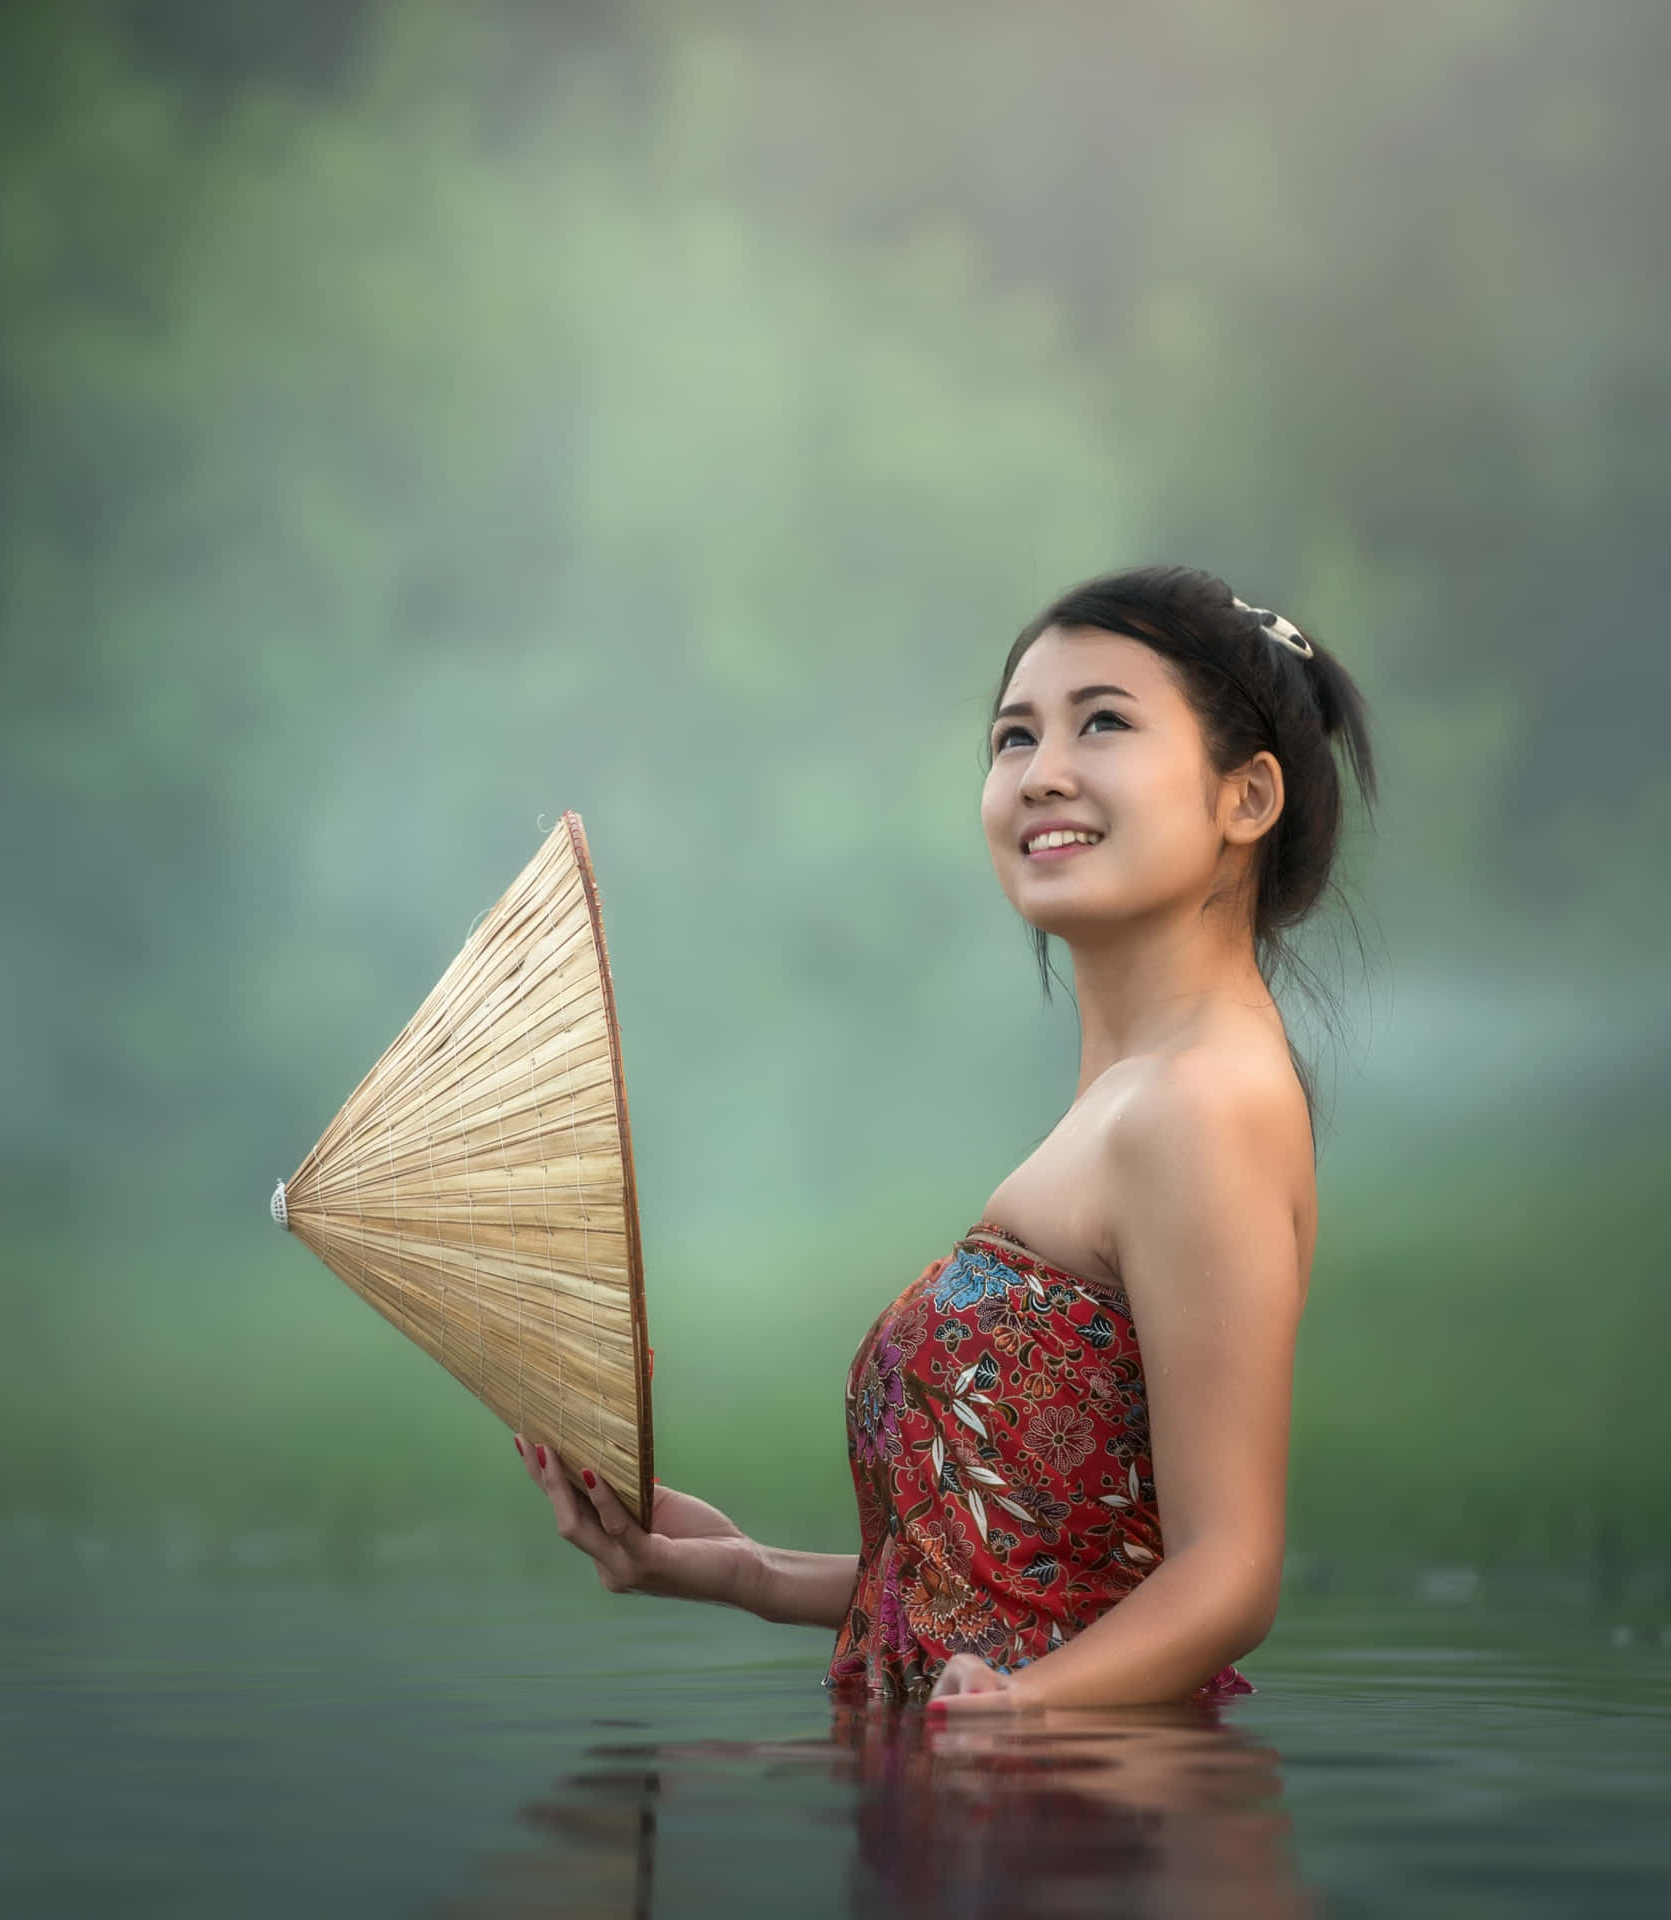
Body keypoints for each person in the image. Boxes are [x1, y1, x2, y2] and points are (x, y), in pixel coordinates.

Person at [516, 561, 1377, 1713]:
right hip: (984, 1815)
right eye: (1013, 737)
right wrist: (735, 1569)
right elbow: (1020, 1580)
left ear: (1246, 800)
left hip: (1094, 1837)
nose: (1041, 773)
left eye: (1104, 722)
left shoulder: (1200, 1106)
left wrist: (1022, 1715)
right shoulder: (1128, 1102)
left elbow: (1228, 1576)